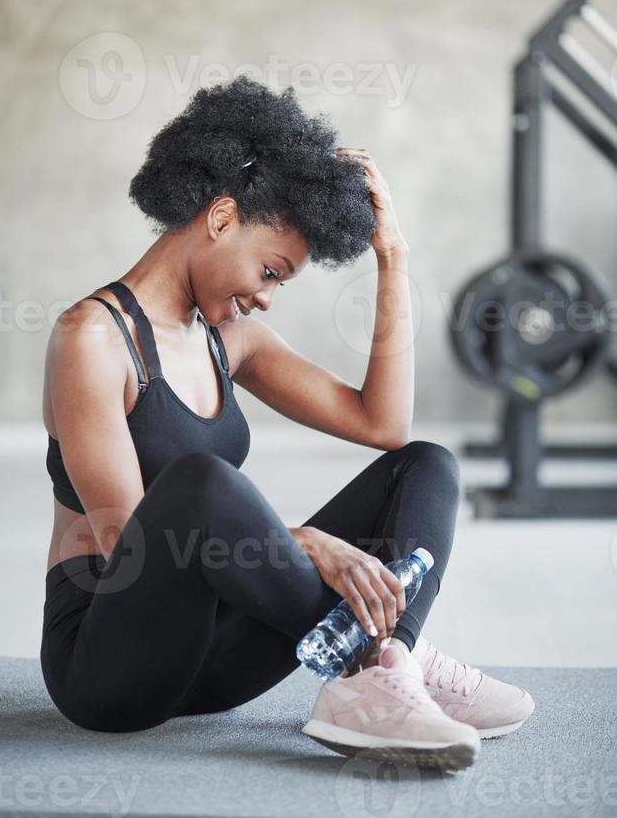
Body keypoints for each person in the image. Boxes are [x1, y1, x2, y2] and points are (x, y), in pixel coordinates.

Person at [40, 75, 534, 770]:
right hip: (111, 665)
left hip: (216, 666)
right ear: (219, 218)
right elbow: (132, 542)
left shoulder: (226, 335)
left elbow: (382, 424)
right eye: (271, 271)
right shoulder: (90, 337)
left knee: (424, 465)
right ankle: (384, 660)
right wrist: (298, 542)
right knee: (201, 486)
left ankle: (384, 663)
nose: (268, 298)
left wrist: (393, 258)